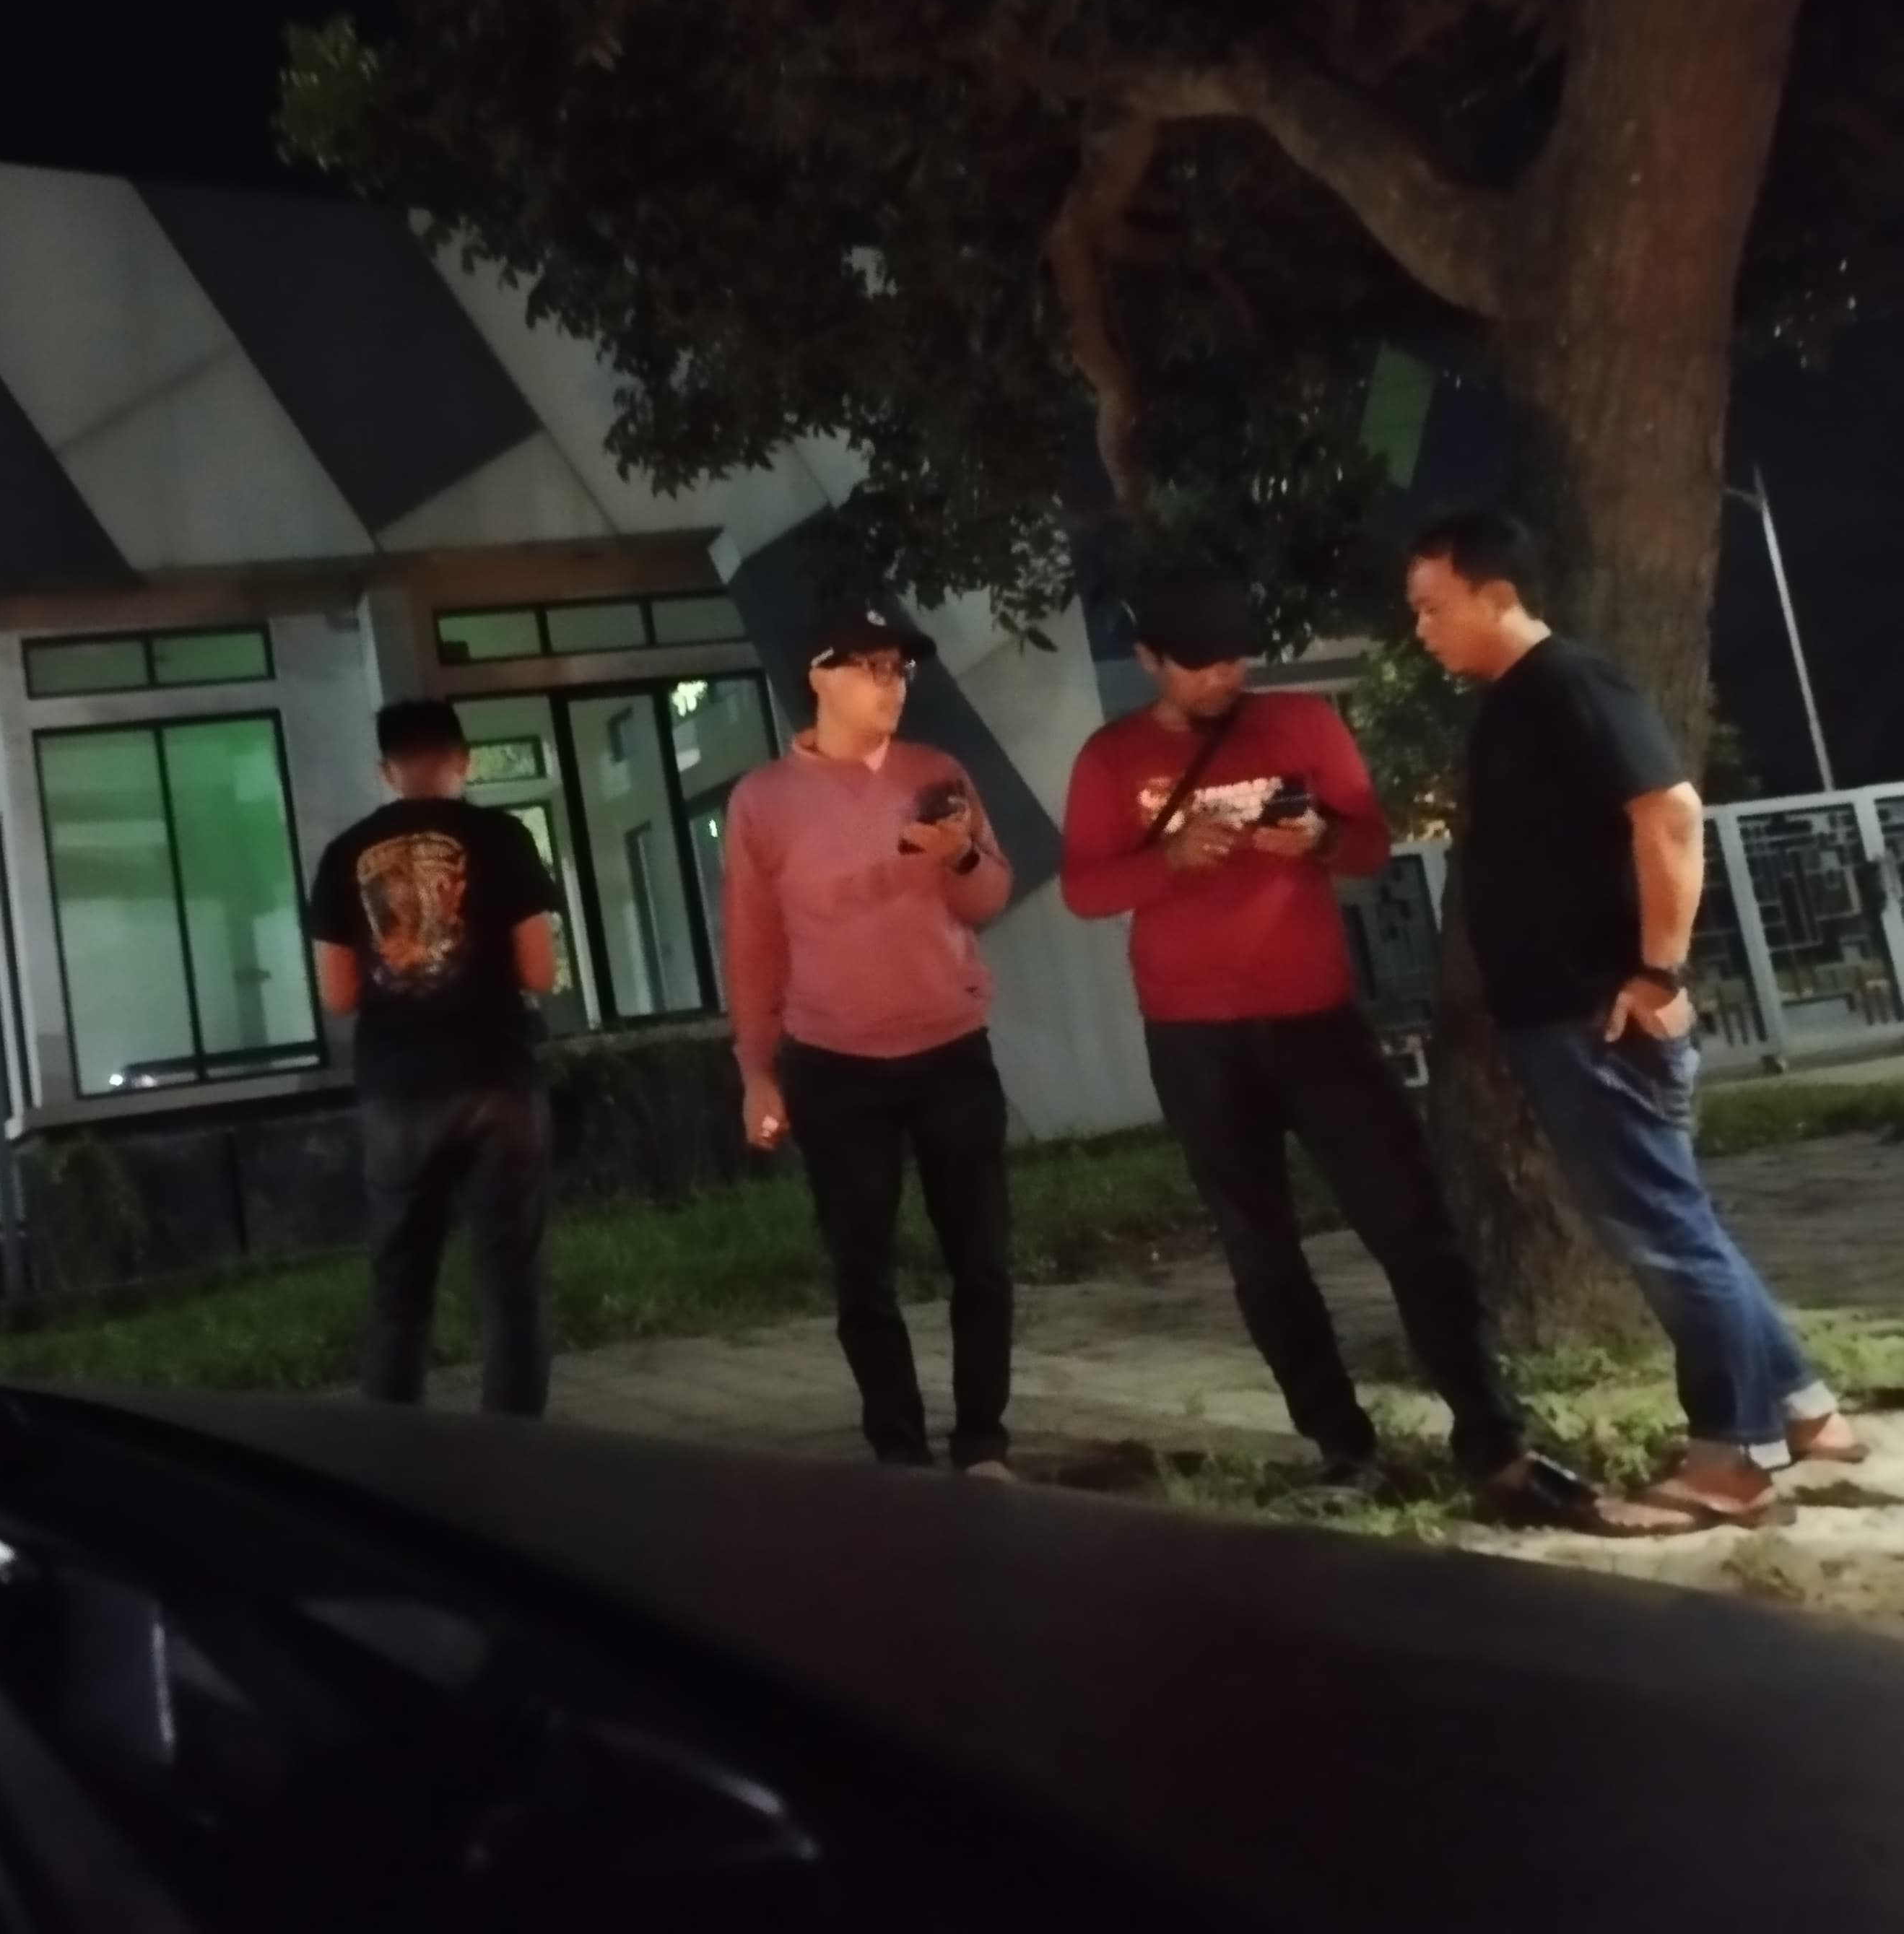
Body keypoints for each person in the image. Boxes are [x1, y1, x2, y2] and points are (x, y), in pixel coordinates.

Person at [1063, 570, 1631, 1528]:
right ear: (1149, 661)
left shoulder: (1300, 725)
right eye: (1199, 666)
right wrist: (1168, 861)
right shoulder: (1111, 758)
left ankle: (1493, 1437)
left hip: (1317, 1019)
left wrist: (1320, 837)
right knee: (1260, 1247)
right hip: (1193, 1034)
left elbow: (1369, 844)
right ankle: (1340, 1445)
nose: (1222, 679)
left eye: (1235, 661)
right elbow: (1084, 890)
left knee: (1410, 1223)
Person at [1409, 508, 1866, 1527]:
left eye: (1434, 607)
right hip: (1566, 1012)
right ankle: (1803, 1410)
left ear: (1495, 594)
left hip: (1598, 1015)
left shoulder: (1570, 682)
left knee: (1663, 1232)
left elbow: (1671, 812)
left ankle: (1733, 1459)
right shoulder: (1517, 700)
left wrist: (1657, 970)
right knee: (1675, 1218)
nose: (1422, 629)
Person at [722, 608, 1018, 1475]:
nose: (892, 686)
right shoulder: (764, 800)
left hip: (950, 1044)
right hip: (834, 1061)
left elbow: (989, 898)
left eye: (899, 669)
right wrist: (756, 1069)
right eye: (872, 668)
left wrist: (959, 857)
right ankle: (899, 1450)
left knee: (982, 1257)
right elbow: (752, 944)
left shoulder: (937, 772)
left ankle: (983, 1440)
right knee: (862, 1270)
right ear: (820, 676)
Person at [307, 697, 564, 1417]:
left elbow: (338, 994)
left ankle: (394, 1453)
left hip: (398, 1088)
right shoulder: (504, 837)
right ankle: (513, 1449)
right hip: (497, 1078)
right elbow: (541, 970)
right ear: (464, 760)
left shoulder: (344, 855)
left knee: (401, 1283)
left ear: (386, 771)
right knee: (512, 1281)